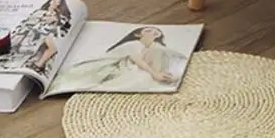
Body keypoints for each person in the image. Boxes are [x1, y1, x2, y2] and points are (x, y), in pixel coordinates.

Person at [49, 26, 186, 93]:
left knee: (157, 52)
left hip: (128, 65)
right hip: (108, 68)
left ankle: (167, 75)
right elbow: (138, 60)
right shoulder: (133, 44)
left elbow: (168, 52)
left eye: (156, 31)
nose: (153, 32)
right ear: (138, 34)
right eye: (148, 30)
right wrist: (155, 74)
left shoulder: (153, 47)